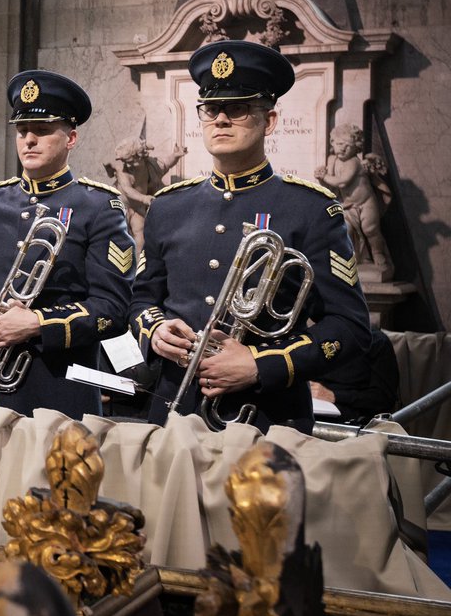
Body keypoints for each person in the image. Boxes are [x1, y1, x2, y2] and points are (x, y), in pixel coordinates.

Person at [130, 39, 371, 433]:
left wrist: (260, 365)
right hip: (172, 412)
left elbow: (349, 328)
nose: (220, 119)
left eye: (238, 108)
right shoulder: (168, 205)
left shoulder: (311, 209)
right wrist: (154, 330)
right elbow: (141, 300)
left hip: (266, 419)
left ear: (269, 121)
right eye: (210, 109)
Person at [0, 70, 136, 418]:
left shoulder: (98, 206)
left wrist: (38, 323)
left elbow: (113, 309)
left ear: (71, 138)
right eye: (22, 132)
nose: (28, 140)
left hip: (60, 391)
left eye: (43, 131)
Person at [315, 123, 393, 280]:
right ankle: (354, 260)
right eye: (338, 144)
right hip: (347, 205)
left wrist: (324, 177)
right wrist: (321, 178)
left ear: (356, 147)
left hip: (365, 203)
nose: (342, 149)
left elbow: (343, 182)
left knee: (370, 229)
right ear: (332, 143)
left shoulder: (354, 162)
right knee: (345, 230)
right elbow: (332, 187)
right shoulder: (332, 160)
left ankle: (378, 253)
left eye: (347, 146)